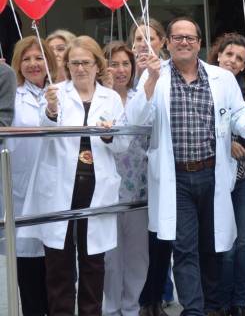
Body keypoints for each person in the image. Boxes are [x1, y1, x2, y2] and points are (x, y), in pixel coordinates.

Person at [125, 17, 245, 316]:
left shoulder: (221, 78)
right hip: (175, 177)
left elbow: (237, 115)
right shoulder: (155, 75)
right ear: (167, 43)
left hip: (212, 174)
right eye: (178, 37)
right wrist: (148, 80)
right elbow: (136, 120)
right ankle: (194, 310)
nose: (184, 42)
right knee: (184, 247)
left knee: (212, 245)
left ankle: (212, 306)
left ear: (200, 44)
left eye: (190, 38)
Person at [22, 35, 129, 316]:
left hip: (96, 187)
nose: (79, 68)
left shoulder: (111, 98)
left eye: (85, 62)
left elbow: (123, 144)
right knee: (59, 263)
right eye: (74, 63)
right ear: (67, 66)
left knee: (94, 261)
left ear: (97, 65)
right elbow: (44, 131)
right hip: (60, 188)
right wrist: (51, 109)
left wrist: (108, 135)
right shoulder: (56, 92)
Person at [209, 34, 245, 316]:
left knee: (242, 243)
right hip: (217, 178)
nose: (232, 61)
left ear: (244, 67)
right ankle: (221, 302)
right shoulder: (205, 84)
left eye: (239, 59)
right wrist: (226, 143)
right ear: (218, 55)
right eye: (229, 54)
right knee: (224, 243)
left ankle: (239, 304)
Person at [127, 18, 173, 316]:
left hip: (161, 166)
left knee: (160, 237)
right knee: (136, 239)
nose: (144, 44)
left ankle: (153, 298)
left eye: (151, 39)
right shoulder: (126, 72)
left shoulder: (169, 73)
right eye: (138, 39)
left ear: (162, 43)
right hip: (130, 168)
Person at [102, 41, 150, 316]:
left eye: (125, 64)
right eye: (114, 64)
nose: (120, 70)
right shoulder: (99, 97)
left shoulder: (140, 96)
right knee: (110, 256)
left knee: (137, 254)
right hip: (107, 187)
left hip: (139, 185)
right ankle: (111, 308)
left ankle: (131, 306)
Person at [8, 37, 53, 316]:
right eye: (26, 59)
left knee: (57, 273)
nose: (33, 64)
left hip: (54, 191)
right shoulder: (10, 95)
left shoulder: (62, 91)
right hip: (21, 190)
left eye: (39, 58)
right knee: (28, 271)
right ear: (18, 64)